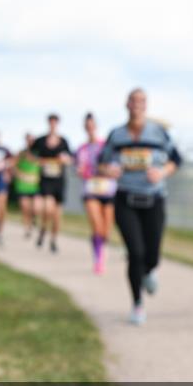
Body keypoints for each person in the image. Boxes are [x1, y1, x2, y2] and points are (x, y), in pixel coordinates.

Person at [98, 88, 181, 325]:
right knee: (135, 253)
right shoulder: (117, 135)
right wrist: (109, 170)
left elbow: (177, 159)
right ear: (126, 104)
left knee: (152, 254)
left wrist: (162, 172)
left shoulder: (159, 133)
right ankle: (137, 304)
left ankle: (150, 270)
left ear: (147, 105)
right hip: (126, 199)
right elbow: (101, 163)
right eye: (133, 100)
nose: (137, 105)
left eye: (141, 101)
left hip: (153, 198)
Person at [76, 112, 117, 274]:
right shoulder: (81, 149)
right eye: (87, 126)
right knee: (97, 225)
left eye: (92, 125)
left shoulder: (106, 146)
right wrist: (82, 171)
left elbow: (114, 166)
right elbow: (79, 168)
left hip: (108, 190)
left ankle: (100, 249)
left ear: (96, 126)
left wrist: (106, 170)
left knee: (106, 230)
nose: (90, 128)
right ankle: (98, 259)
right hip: (91, 189)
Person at [31, 113, 73, 253]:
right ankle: (43, 229)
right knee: (48, 209)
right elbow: (31, 155)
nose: (53, 124)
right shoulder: (41, 140)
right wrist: (40, 162)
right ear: (48, 123)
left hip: (59, 181)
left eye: (55, 122)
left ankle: (53, 239)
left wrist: (64, 160)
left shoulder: (63, 141)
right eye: (51, 122)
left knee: (57, 215)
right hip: (46, 180)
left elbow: (70, 159)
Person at [12, 133, 42, 239]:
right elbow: (13, 166)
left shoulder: (39, 153)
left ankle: (34, 219)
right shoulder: (21, 153)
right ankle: (27, 228)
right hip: (23, 185)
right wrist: (20, 175)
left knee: (36, 208)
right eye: (28, 140)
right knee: (25, 208)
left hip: (35, 186)